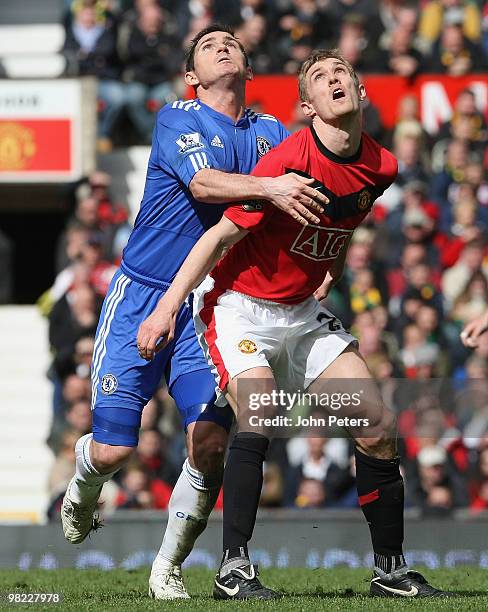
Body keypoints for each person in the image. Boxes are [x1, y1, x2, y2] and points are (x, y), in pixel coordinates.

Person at [138, 49, 449, 599]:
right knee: (257, 416)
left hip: (302, 312)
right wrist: (166, 309)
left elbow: (343, 218)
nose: (335, 81)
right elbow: (216, 239)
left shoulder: (383, 166)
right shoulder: (287, 163)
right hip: (239, 304)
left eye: (342, 74)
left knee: (377, 427)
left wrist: (325, 267)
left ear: (362, 92)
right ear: (306, 106)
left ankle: (391, 571)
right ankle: (234, 570)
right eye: (321, 79)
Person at [60, 24, 327, 601]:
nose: (224, 46)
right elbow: (206, 185)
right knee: (114, 449)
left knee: (208, 442)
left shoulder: (271, 133)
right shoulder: (176, 117)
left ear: (249, 70)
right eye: (209, 46)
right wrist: (272, 188)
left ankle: (168, 566)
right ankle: (85, 478)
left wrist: (321, 260)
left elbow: (300, 203)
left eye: (233, 43)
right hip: (144, 296)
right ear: (191, 76)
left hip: (213, 306)